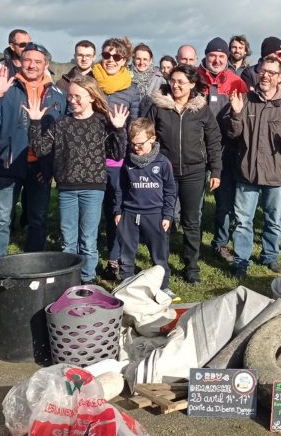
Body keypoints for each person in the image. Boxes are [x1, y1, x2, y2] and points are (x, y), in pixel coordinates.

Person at [26, 76, 128, 284]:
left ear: (91, 97)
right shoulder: (62, 123)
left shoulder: (102, 122)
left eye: (77, 97)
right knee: (68, 240)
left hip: (93, 188)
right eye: (70, 96)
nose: (72, 101)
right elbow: (40, 149)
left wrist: (118, 129)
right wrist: (35, 123)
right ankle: (68, 279)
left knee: (88, 239)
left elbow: (117, 154)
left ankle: (87, 279)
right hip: (66, 188)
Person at [225, 56, 281, 279]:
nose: (266, 75)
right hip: (247, 172)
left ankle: (270, 255)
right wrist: (236, 113)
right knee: (243, 221)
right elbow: (233, 134)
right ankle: (242, 259)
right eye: (262, 71)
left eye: (271, 72)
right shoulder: (246, 100)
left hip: (275, 173)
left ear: (280, 77)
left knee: (274, 219)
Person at [0, 43, 67, 258]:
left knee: (38, 217)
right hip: (10, 162)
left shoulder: (58, 95)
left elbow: (61, 135)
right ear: (20, 62)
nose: (32, 65)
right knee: (2, 217)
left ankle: (34, 263)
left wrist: (50, 165)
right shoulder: (8, 88)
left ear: (46, 65)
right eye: (27, 60)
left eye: (37, 61)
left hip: (41, 165)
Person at [145, 64, 221, 284]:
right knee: (164, 219)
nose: (176, 85)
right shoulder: (158, 106)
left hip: (194, 172)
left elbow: (213, 140)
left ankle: (192, 267)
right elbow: (146, 133)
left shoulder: (201, 109)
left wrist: (215, 170)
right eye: (173, 80)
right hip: (164, 173)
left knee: (191, 221)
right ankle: (161, 265)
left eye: (181, 82)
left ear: (192, 84)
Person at [93, 37, 143, 280]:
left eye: (117, 57)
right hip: (90, 159)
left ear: (125, 60)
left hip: (117, 160)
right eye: (106, 54)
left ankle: (114, 260)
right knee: (92, 214)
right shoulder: (90, 82)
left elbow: (134, 124)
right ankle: (87, 260)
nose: (110, 60)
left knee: (116, 211)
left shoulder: (131, 90)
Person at [196, 38, 249, 264]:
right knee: (194, 202)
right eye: (212, 56)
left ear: (227, 59)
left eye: (222, 56)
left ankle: (220, 243)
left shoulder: (236, 82)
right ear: (206, 56)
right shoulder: (195, 78)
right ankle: (193, 243)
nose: (217, 60)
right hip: (196, 148)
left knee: (224, 202)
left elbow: (242, 116)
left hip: (225, 149)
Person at [113, 118, 178, 291]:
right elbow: (120, 187)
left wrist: (167, 215)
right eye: (133, 144)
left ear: (153, 138)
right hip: (129, 213)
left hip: (155, 215)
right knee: (126, 253)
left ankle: (163, 287)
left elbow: (170, 191)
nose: (136, 148)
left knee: (159, 254)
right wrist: (118, 210)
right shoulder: (127, 162)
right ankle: (126, 285)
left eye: (140, 144)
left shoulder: (162, 163)